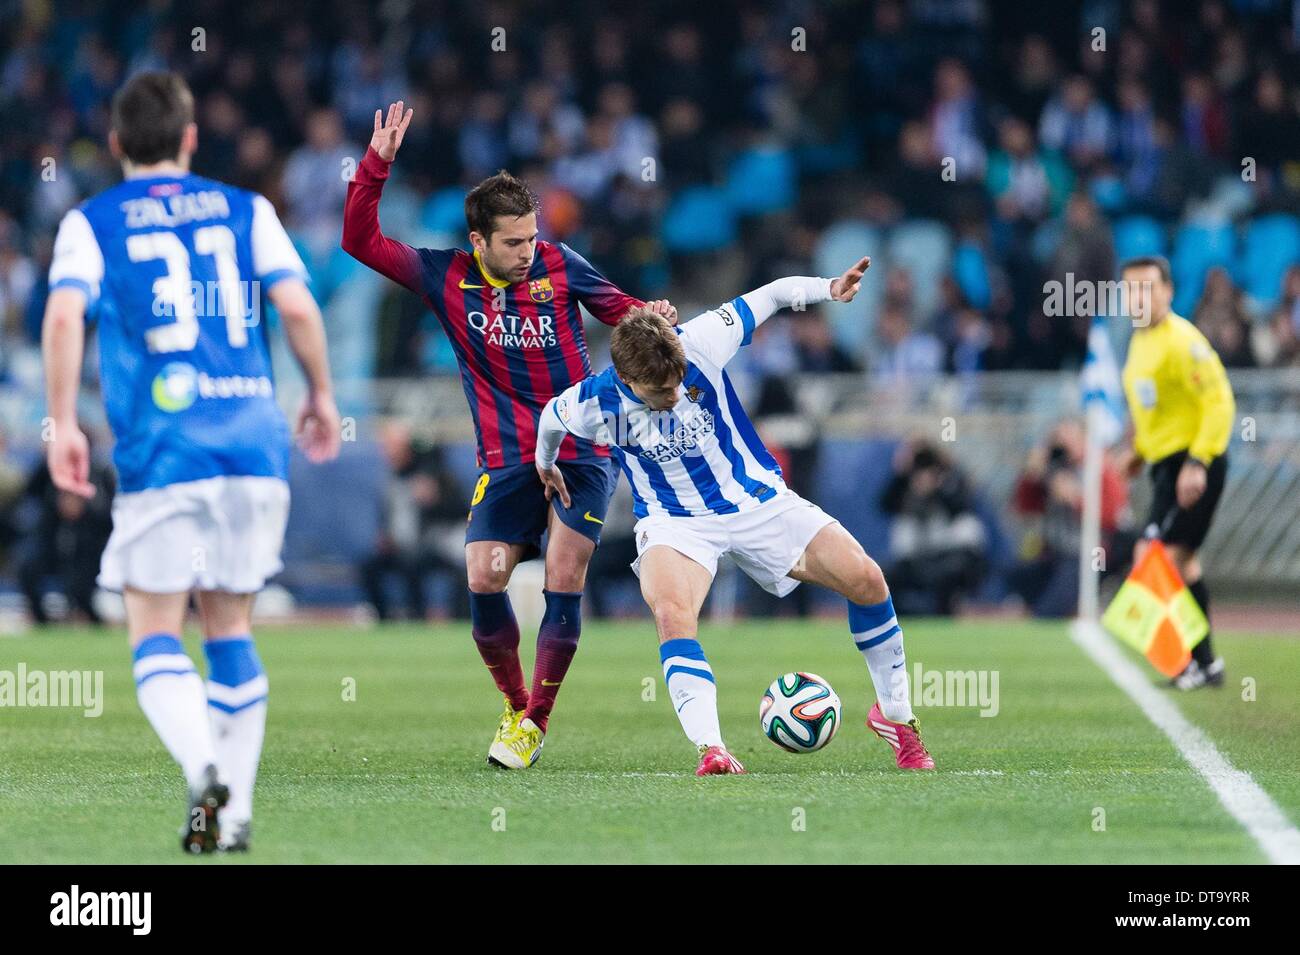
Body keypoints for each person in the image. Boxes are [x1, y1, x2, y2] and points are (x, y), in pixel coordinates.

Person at [42, 72, 341, 852]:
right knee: (230, 624)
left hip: (167, 450)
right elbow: (299, 305)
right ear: (190, 138)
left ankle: (203, 763)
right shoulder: (249, 209)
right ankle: (226, 814)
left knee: (153, 628)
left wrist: (65, 419)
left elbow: (66, 312)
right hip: (252, 438)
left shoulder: (91, 220)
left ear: (114, 144)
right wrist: (319, 391)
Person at [342, 102, 676, 768]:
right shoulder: (444, 276)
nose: (529, 252)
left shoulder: (558, 264)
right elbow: (359, 240)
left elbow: (620, 309)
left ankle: (534, 724)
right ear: (478, 240)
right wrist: (375, 166)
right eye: (514, 243)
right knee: (485, 572)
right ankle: (515, 702)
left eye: (532, 238)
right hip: (507, 455)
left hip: (581, 443)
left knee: (564, 567)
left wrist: (653, 314)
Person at [535, 257, 936, 775]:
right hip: (674, 521)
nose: (676, 394)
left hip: (757, 501)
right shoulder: (592, 401)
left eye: (680, 382)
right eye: (663, 392)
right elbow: (550, 419)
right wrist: (546, 466)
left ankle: (896, 717)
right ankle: (713, 749)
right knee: (673, 614)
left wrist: (828, 288)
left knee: (867, 579)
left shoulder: (700, 339)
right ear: (629, 380)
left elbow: (770, 293)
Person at [1118, 255, 1234, 690]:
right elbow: (1158, 412)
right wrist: (1139, 453)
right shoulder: (1140, 341)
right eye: (1131, 289)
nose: (1139, 297)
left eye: (1148, 287)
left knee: (1152, 557)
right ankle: (1208, 665)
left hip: (1193, 465)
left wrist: (1198, 461)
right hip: (1167, 467)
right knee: (1182, 566)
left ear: (1168, 291)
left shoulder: (1184, 341)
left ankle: (1181, 662)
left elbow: (1219, 401)